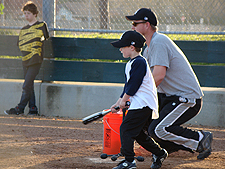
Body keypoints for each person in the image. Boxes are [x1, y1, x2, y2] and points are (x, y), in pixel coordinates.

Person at [125, 8, 213, 160]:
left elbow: (158, 76)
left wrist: (136, 95)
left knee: (159, 129)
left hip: (186, 98)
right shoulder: (147, 50)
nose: (132, 27)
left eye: (135, 23)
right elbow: (148, 81)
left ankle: (200, 139)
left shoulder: (159, 42)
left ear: (147, 25)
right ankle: (165, 148)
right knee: (143, 118)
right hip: (169, 97)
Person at [110, 30, 168, 169]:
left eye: (122, 46)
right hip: (139, 103)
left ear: (132, 47)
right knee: (138, 134)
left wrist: (124, 101)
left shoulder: (140, 62)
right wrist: (119, 102)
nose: (120, 49)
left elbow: (134, 84)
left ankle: (129, 162)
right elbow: (128, 86)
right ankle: (159, 153)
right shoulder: (131, 63)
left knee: (126, 129)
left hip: (144, 104)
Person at [4, 1, 49, 116]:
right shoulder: (23, 29)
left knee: (26, 85)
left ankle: (19, 108)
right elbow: (20, 44)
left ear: (35, 14)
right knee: (29, 84)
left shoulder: (41, 25)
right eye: (25, 13)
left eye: (28, 13)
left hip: (36, 59)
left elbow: (46, 39)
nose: (26, 16)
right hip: (25, 60)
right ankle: (33, 108)